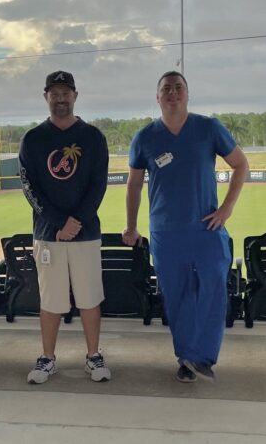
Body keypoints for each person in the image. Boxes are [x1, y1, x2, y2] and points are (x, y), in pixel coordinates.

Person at [123, 71, 248, 383]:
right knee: (178, 295)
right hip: (165, 232)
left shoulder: (208, 128)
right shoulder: (145, 137)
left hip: (207, 229)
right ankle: (186, 358)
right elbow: (134, 186)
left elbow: (240, 164)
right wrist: (131, 226)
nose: (173, 93)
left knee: (214, 289)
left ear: (188, 95)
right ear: (157, 97)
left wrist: (227, 208)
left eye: (178, 88)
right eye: (166, 89)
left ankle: (204, 356)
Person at [19, 70, 110, 384]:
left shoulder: (93, 137)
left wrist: (76, 222)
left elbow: (98, 185)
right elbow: (29, 187)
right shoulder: (33, 139)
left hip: (85, 234)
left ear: (75, 95)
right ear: (46, 96)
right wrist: (59, 222)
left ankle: (93, 356)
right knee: (51, 300)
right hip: (48, 235)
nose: (60, 98)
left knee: (89, 298)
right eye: (54, 92)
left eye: (65, 92)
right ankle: (47, 358)